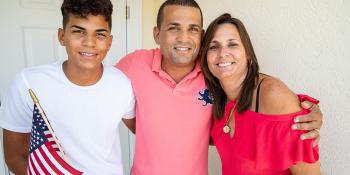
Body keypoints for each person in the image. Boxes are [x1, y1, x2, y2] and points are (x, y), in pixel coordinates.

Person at [116, 0, 323, 174]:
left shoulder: (214, 75)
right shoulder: (134, 64)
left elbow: (271, 106)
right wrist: (147, 129)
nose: (183, 37)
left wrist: (309, 110)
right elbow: (101, 89)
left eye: (193, 29)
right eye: (173, 27)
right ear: (157, 34)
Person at [0, 0, 135, 174]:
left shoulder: (122, 84)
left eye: (100, 34)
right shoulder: (28, 83)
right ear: (62, 36)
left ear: (109, 42)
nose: (89, 42)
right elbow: (14, 155)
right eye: (79, 32)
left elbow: (146, 130)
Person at [200, 13, 321, 175]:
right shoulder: (217, 98)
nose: (223, 53)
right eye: (213, 46)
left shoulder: (272, 94)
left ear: (248, 53)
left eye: (232, 44)